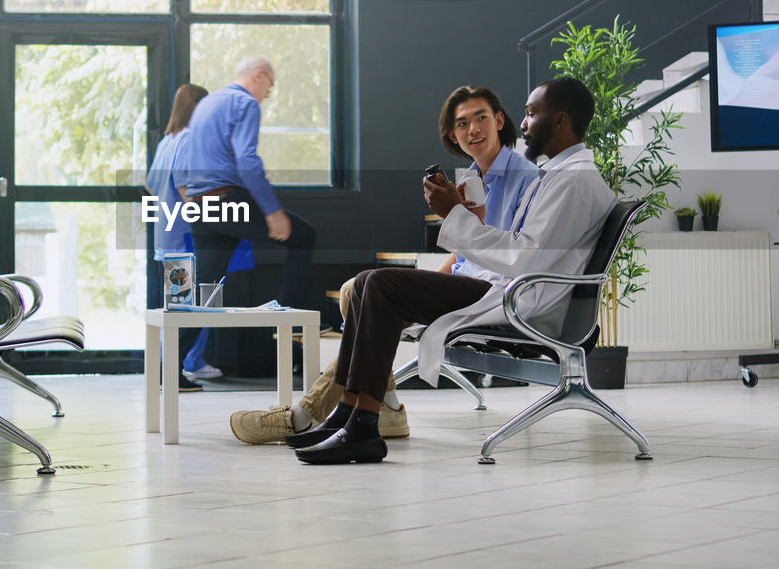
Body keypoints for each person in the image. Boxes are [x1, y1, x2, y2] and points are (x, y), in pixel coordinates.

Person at [294, 77, 615, 464]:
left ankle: (362, 424)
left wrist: (454, 215)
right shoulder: (561, 175)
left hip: (522, 299)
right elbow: (523, 248)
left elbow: (524, 257)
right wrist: (468, 220)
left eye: (531, 113)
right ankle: (348, 415)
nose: (524, 124)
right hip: (508, 287)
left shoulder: (573, 180)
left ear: (561, 121)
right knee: (365, 283)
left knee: (378, 284)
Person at [229, 85, 539, 445]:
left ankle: (306, 413)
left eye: (481, 117)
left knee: (373, 288)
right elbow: (467, 253)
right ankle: (388, 405)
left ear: (499, 120)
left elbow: (510, 255)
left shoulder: (524, 178)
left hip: (496, 292)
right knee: (352, 290)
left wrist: (455, 223)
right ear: (452, 135)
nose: (472, 129)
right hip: (468, 283)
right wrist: (434, 281)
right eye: (461, 123)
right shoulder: (471, 177)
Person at [180, 54, 317, 331]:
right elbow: (247, 161)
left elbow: (185, 161)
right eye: (270, 85)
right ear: (258, 75)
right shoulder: (245, 103)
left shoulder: (207, 104)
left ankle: (169, 370)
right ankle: (290, 323)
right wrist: (272, 211)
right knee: (303, 236)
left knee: (203, 299)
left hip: (200, 208)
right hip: (227, 201)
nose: (268, 94)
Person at [144, 83, 218, 391]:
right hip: (186, 237)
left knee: (178, 305)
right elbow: (188, 189)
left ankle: (172, 369)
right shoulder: (189, 139)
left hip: (166, 237)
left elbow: (150, 186)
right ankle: (172, 371)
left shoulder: (167, 141)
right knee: (190, 307)